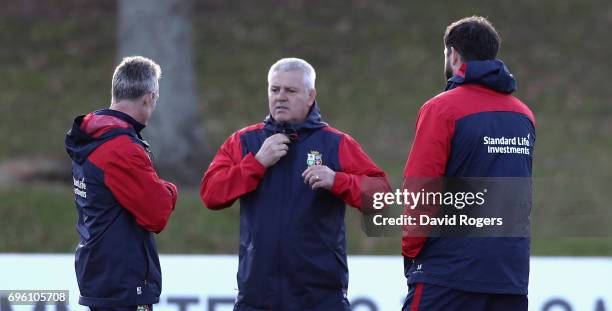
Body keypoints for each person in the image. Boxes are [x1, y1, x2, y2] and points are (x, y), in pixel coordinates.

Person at [200, 57, 389, 310]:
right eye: (274, 89)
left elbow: (383, 198)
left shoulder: (335, 143)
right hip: (257, 298)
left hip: (319, 299)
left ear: (311, 96)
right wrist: (256, 163)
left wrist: (338, 180)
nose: (280, 97)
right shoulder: (245, 142)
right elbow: (211, 194)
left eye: (290, 91)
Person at [401, 17, 536, 310]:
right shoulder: (524, 116)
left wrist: (411, 251)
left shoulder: (441, 109)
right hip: (509, 275)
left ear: (453, 54)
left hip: (448, 274)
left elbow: (422, 188)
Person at [65, 56, 178, 311]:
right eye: (156, 99)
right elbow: (157, 214)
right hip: (122, 282)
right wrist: (169, 189)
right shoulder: (120, 148)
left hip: (99, 270)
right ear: (149, 97)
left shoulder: (92, 136)